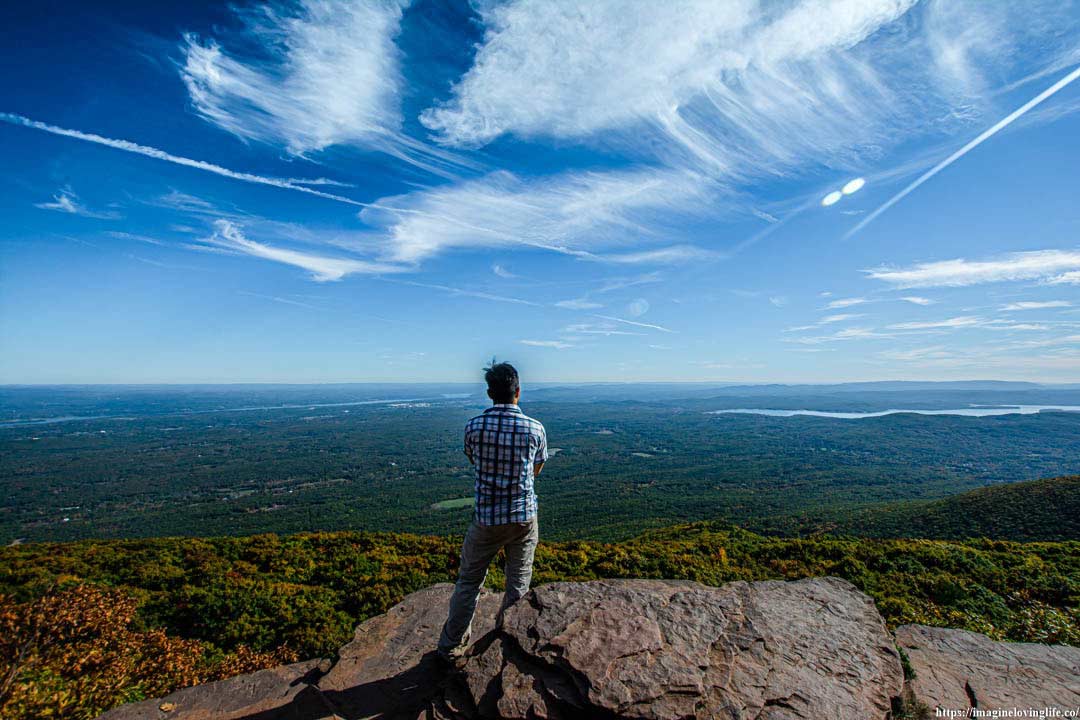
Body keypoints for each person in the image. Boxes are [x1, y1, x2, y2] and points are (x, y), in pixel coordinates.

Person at [437, 361, 548, 664]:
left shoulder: (473, 426)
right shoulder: (535, 428)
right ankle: (508, 641)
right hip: (523, 515)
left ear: (489, 393)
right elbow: (536, 469)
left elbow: (474, 460)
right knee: (518, 582)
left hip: (486, 517)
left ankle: (451, 646)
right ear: (518, 391)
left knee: (469, 582)